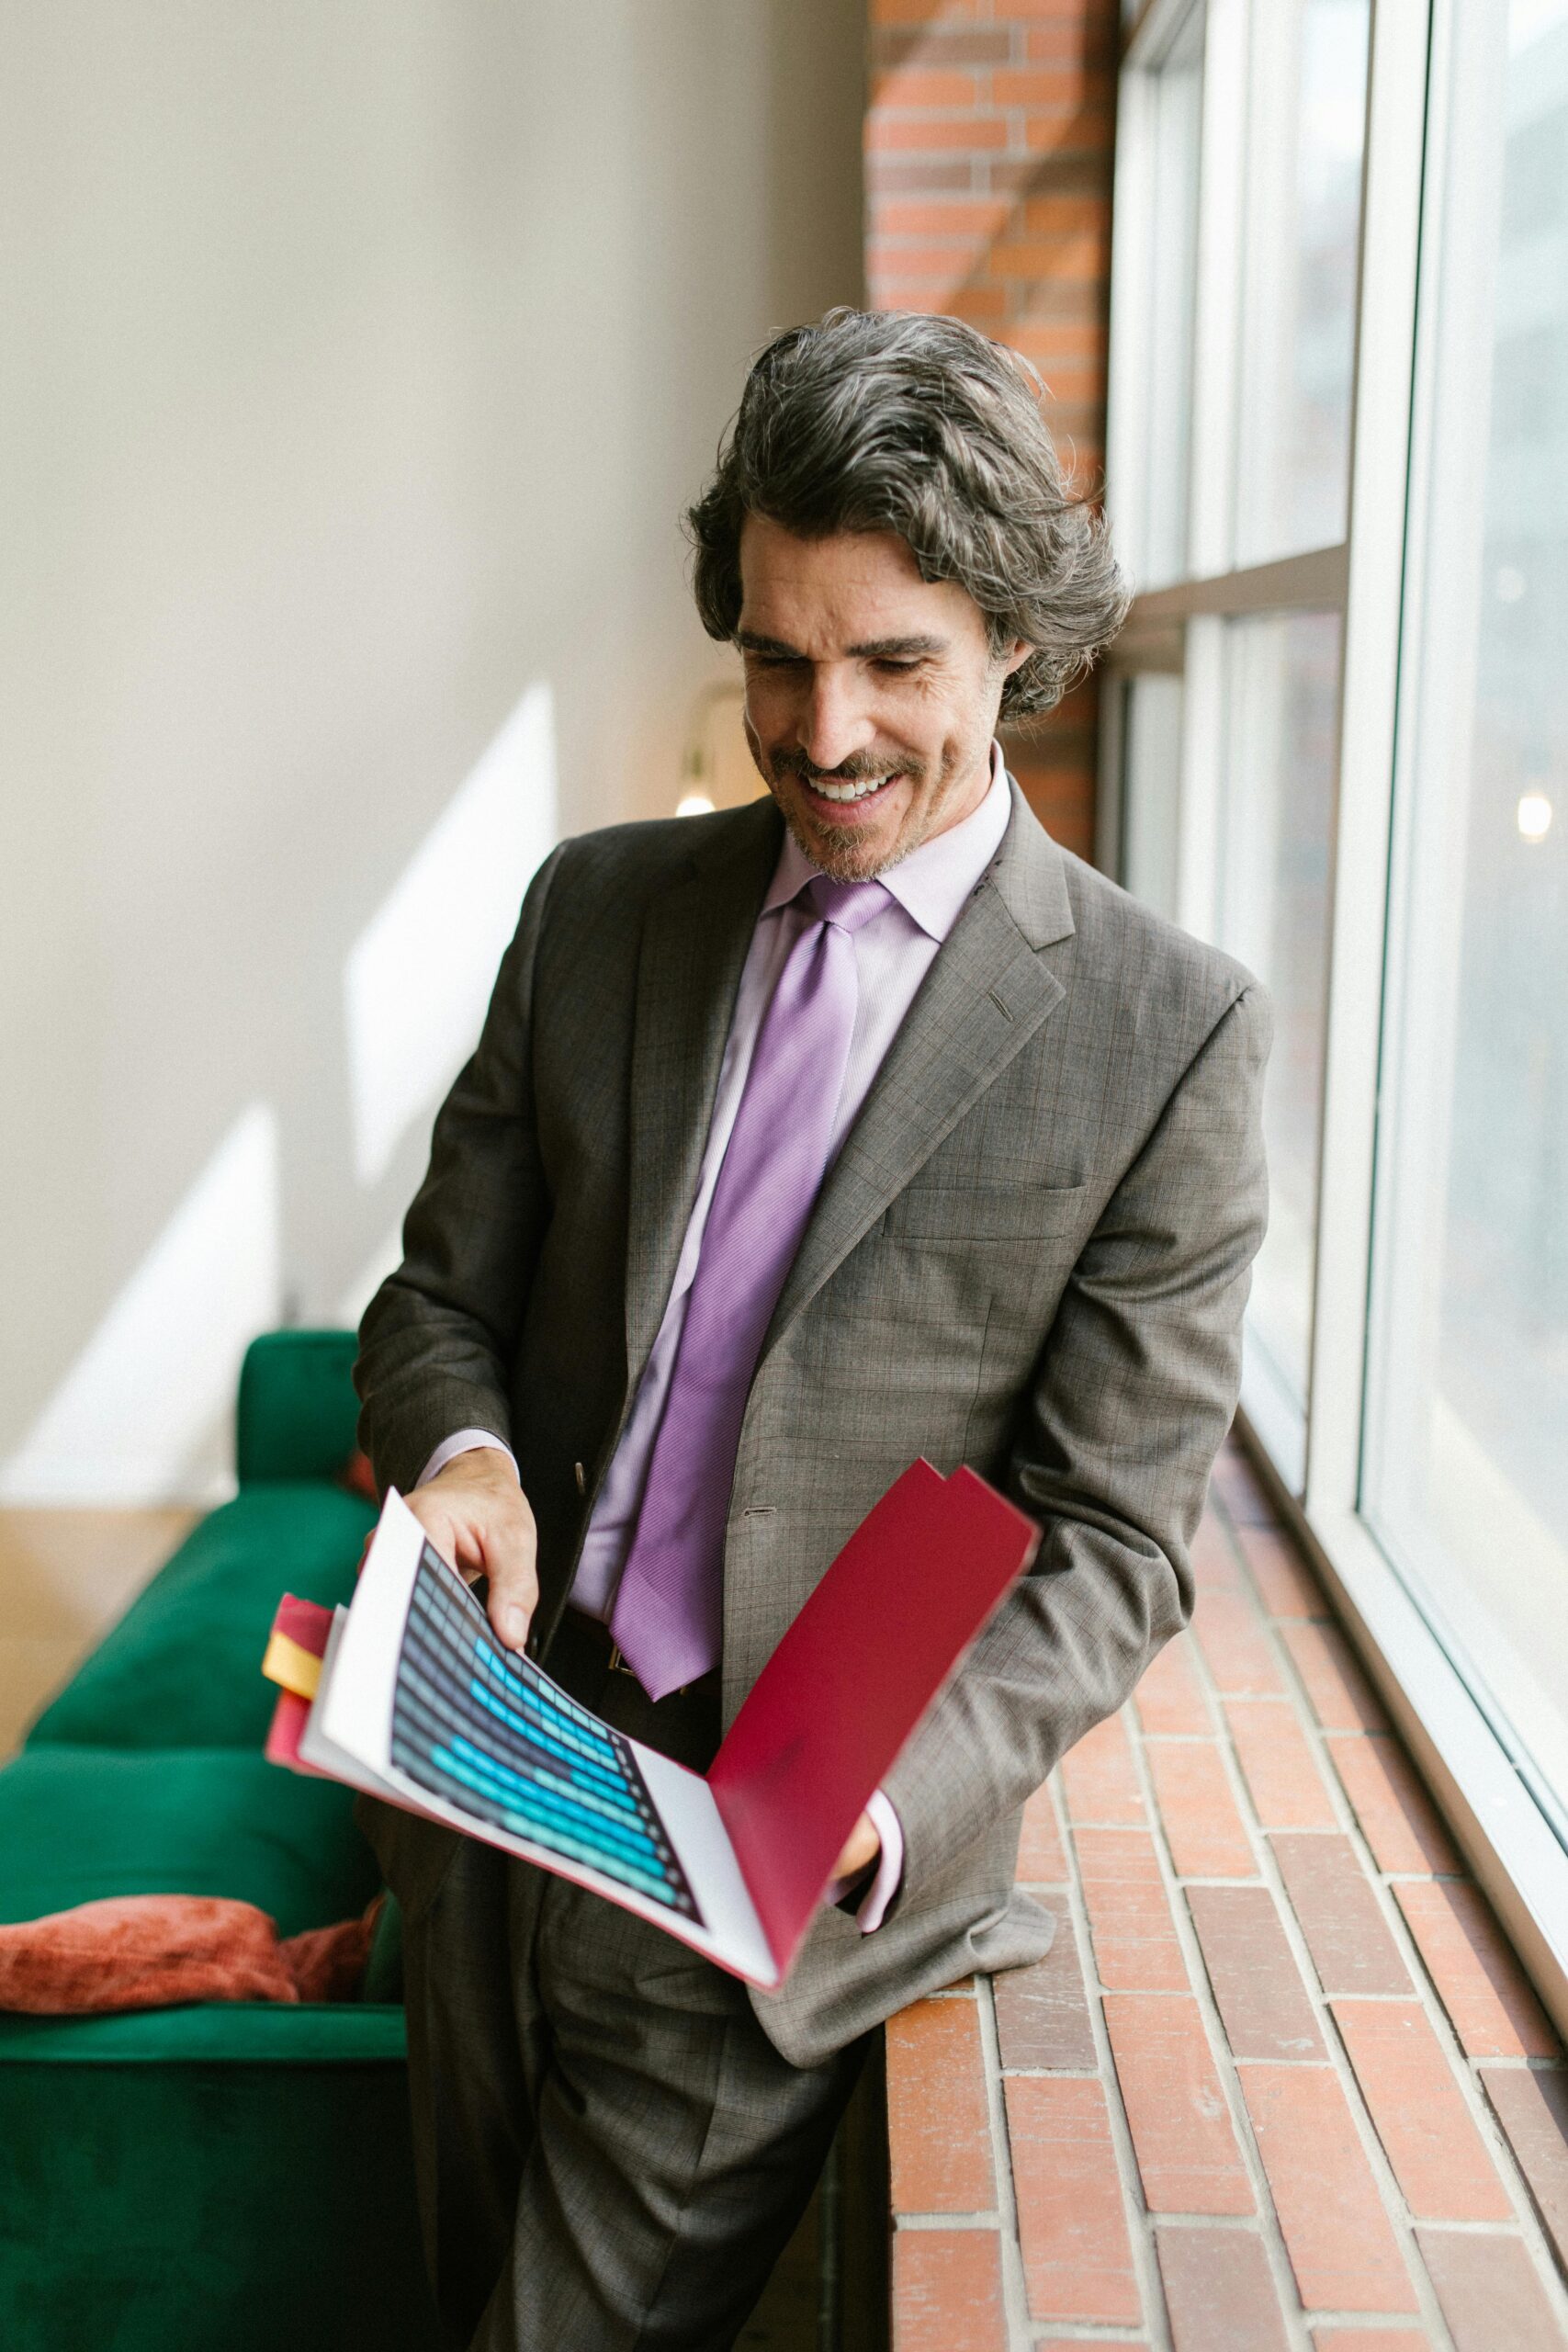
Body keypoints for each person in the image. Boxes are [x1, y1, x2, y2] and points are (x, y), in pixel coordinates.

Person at [354, 306, 1269, 2351]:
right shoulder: (594, 911)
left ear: (1014, 642)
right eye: (777, 656)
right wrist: (466, 1457)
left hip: (759, 1885)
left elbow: (1113, 1545)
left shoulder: (1166, 1034)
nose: (822, 729)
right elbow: (437, 1299)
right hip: (489, 1785)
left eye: (892, 665)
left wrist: (882, 1787)